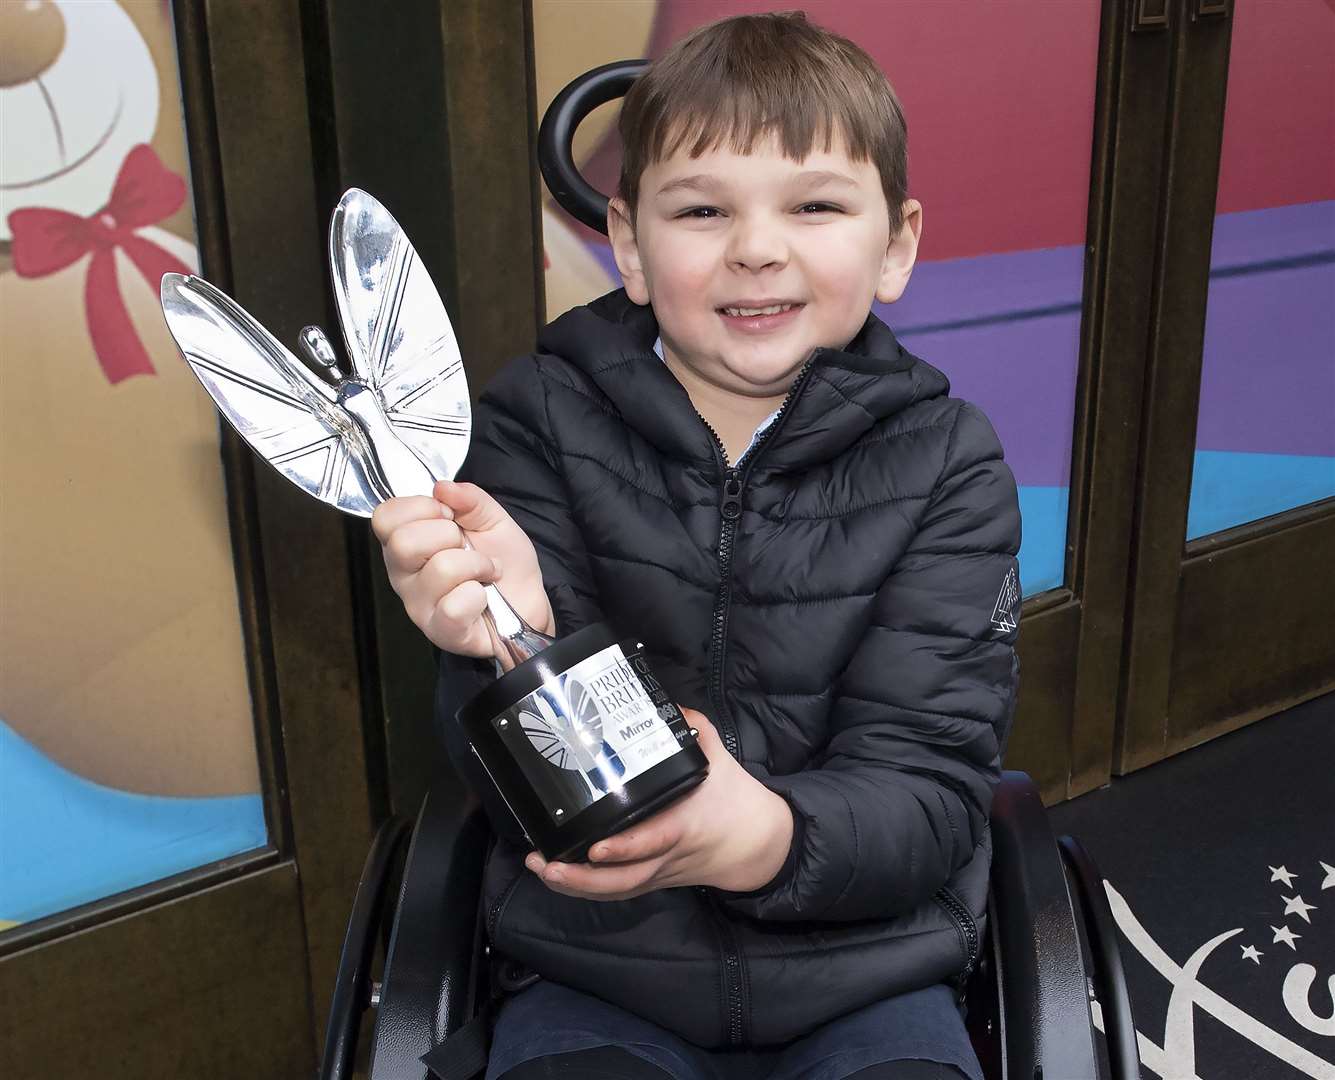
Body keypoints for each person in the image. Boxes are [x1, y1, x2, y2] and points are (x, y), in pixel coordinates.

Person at [371, 11, 1021, 1080]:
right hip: (597, 965)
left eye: (814, 204)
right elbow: (523, 783)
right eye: (703, 209)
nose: (756, 247)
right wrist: (516, 636)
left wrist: (760, 834)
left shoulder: (951, 465)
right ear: (628, 243)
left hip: (867, 967)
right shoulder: (533, 425)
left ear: (895, 244)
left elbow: (930, 787)